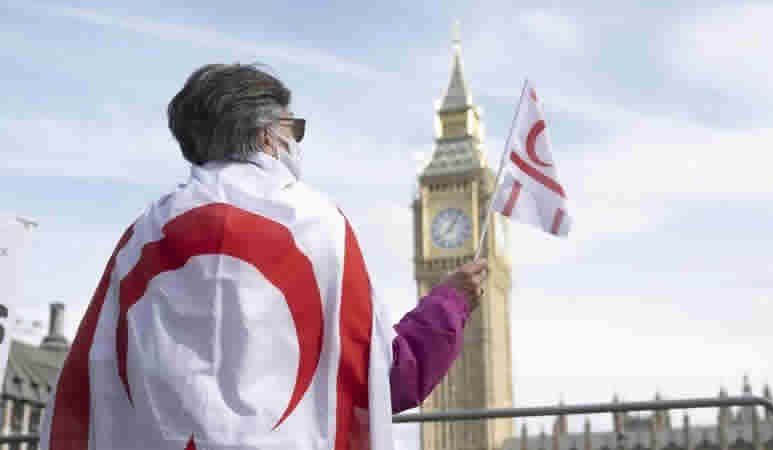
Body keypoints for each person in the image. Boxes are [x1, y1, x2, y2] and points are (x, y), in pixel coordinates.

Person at [40, 63, 488, 450]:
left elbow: (91, 383)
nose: (298, 142)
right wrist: (450, 302)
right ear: (266, 136)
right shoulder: (317, 225)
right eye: (295, 130)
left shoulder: (142, 236)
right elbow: (386, 379)